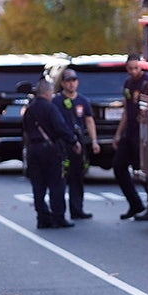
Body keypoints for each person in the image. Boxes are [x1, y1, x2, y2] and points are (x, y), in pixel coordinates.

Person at [23, 79, 78, 229]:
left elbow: (25, 129)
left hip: (34, 149)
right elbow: (61, 128)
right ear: (48, 92)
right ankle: (58, 216)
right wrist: (73, 141)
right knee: (56, 183)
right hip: (51, 149)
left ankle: (42, 216)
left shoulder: (30, 109)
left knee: (38, 185)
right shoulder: (51, 108)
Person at [54, 68, 99, 219]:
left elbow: (89, 121)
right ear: (62, 83)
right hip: (61, 144)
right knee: (60, 178)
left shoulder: (83, 101)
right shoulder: (57, 101)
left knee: (77, 178)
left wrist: (94, 141)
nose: (71, 84)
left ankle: (77, 209)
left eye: (74, 80)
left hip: (78, 144)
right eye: (68, 81)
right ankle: (59, 212)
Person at [113, 53, 148, 220]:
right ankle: (135, 204)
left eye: (136, 68)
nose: (133, 71)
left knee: (145, 172)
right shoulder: (128, 84)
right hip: (129, 133)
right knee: (118, 166)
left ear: (141, 66)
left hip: (143, 135)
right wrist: (118, 134)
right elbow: (126, 111)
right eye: (130, 68)